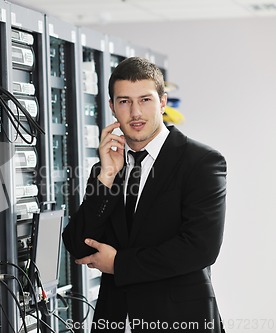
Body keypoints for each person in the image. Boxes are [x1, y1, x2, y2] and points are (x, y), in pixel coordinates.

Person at [62, 57, 227, 333]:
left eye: (145, 100)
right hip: (115, 320)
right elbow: (78, 246)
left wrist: (118, 264)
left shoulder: (201, 162)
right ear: (113, 108)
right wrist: (106, 177)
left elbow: (200, 248)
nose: (135, 112)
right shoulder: (107, 169)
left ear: (162, 102)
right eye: (124, 101)